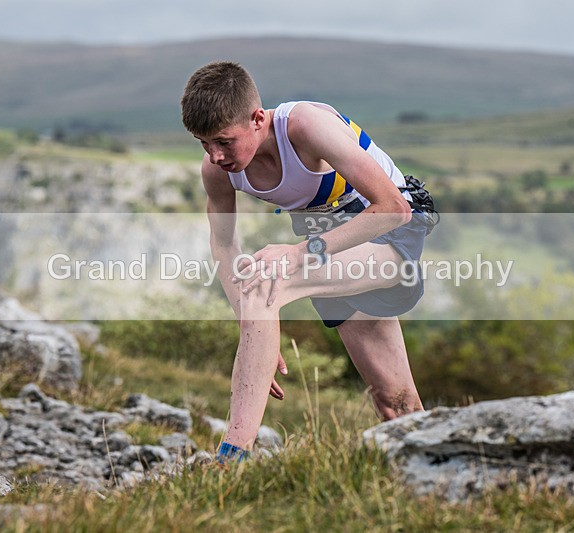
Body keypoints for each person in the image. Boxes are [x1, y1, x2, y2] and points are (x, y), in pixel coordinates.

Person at [180, 61, 435, 464]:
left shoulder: (305, 126)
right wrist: (253, 328)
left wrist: (299, 253)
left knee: (267, 284)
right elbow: (224, 245)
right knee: (394, 404)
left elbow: (394, 209)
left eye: (224, 141)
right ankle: (434, 476)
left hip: (390, 232)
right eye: (203, 143)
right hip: (333, 242)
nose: (215, 155)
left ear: (257, 118)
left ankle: (231, 462)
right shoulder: (217, 170)